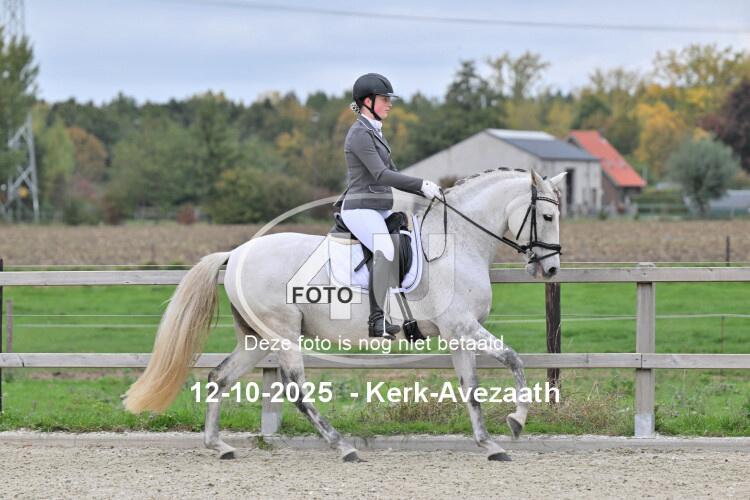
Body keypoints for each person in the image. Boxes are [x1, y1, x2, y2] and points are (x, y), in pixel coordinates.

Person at [339, 73, 441, 339]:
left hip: (378, 207)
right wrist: (420, 184)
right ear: (367, 101)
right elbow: (381, 175)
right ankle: (376, 321)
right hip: (360, 208)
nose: (389, 104)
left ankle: (409, 313)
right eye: (384, 99)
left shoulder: (375, 132)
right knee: (384, 249)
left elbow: (393, 173)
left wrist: (425, 192)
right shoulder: (360, 134)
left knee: (406, 241)